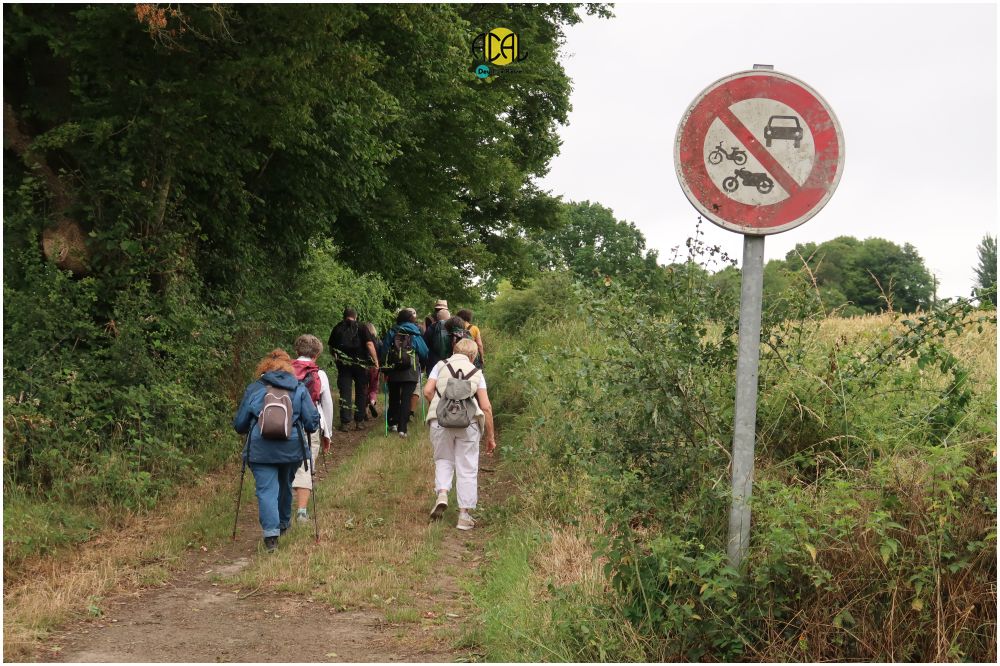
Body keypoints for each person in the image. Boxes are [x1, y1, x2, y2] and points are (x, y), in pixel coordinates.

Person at [233, 349, 320, 552]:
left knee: (266, 489)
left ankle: (271, 536)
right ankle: (283, 524)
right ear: (289, 367)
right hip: (291, 448)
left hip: (260, 448)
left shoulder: (255, 388)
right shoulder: (298, 387)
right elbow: (311, 422)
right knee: (285, 484)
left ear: (264, 367)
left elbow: (240, 425)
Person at [423, 338, 497, 530]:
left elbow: (427, 391)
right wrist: (490, 436)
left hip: (440, 422)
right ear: (473, 356)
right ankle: (464, 516)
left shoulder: (440, 366)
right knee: (467, 466)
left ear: (454, 351)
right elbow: (486, 407)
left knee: (443, 459)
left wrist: (438, 408)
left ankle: (442, 493)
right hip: (468, 423)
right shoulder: (477, 373)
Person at [290, 335, 335, 525]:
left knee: (284, 463)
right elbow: (327, 405)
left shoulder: (284, 371)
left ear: (296, 351)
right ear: (316, 355)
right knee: (306, 465)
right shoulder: (319, 374)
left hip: (286, 423)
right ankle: (301, 512)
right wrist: (327, 433)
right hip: (310, 424)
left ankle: (280, 507)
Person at [328, 307, 379, 430]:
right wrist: (375, 361)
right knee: (361, 391)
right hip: (361, 364)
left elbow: (331, 347)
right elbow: (369, 344)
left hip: (344, 364)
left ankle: (345, 423)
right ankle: (359, 421)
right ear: (355, 316)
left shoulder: (337, 328)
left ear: (344, 316)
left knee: (345, 391)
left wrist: (336, 357)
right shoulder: (362, 327)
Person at [381, 308, 429, 438]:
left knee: (394, 397)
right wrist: (422, 363)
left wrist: (384, 368)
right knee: (406, 399)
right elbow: (424, 352)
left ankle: (392, 423)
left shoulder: (392, 331)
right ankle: (402, 429)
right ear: (411, 320)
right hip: (411, 370)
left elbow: (384, 350)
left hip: (394, 369)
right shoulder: (415, 333)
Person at [364, 322, 380, 419]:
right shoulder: (378, 341)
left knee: (364, 388)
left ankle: (365, 411)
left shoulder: (362, 340)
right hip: (375, 367)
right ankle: (372, 402)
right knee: (373, 388)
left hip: (364, 366)